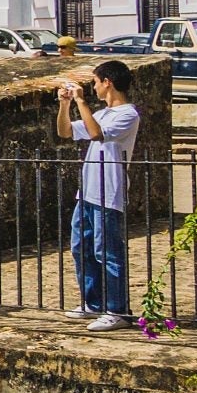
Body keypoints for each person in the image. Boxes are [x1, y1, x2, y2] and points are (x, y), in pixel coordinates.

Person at [60, 60, 142, 332]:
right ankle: (93, 303)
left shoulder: (127, 114)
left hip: (109, 192)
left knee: (107, 251)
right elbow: (66, 131)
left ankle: (118, 310)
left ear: (107, 82)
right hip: (88, 191)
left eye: (95, 81)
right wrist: (65, 105)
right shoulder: (102, 113)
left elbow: (96, 134)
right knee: (80, 247)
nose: (93, 87)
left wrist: (82, 103)